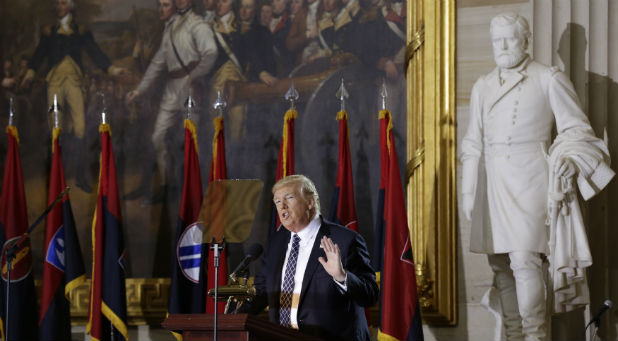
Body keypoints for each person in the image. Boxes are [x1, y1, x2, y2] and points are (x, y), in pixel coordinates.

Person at [461, 13, 613, 340]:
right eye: (496, 40)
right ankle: (515, 334)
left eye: (509, 39)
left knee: (524, 260)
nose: (501, 46)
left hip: (530, 181)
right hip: (493, 184)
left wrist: (571, 160)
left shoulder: (548, 78)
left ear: (525, 40)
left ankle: (535, 334)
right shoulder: (482, 86)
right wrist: (468, 189)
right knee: (501, 265)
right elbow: (472, 142)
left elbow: (578, 130)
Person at [241, 174, 378, 340]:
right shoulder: (277, 242)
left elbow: (370, 294)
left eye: (289, 198)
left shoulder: (345, 240)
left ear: (310, 202)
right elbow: (262, 291)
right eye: (277, 201)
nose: (282, 206)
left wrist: (342, 277)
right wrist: (228, 320)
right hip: (282, 336)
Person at [20, 0, 126, 192]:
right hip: (54, 81)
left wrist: (112, 69)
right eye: (57, 3)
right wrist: (29, 74)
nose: (58, 6)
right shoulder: (48, 31)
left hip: (74, 81)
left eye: (62, 3)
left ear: (69, 6)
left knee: (80, 127)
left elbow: (95, 51)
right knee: (56, 125)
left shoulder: (81, 30)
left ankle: (80, 176)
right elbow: (38, 55)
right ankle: (56, 177)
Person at [125, 0, 218, 202]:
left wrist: (194, 76)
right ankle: (167, 185)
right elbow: (157, 64)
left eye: (166, 4)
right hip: (171, 88)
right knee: (157, 136)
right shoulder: (169, 30)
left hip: (190, 88)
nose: (162, 8)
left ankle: (193, 189)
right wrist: (139, 91)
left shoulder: (197, 24)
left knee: (190, 139)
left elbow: (211, 53)